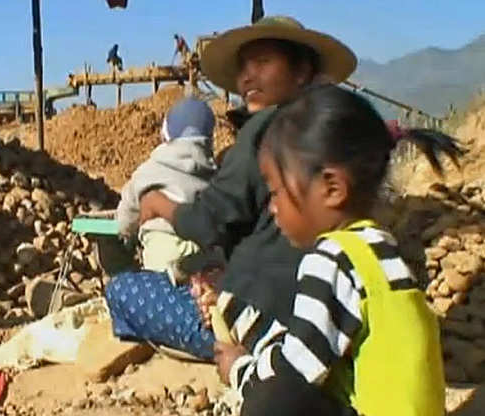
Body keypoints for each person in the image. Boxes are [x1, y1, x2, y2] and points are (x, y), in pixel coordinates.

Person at [207, 85, 465, 416]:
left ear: (330, 188)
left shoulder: (333, 258)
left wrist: (238, 371)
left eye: (275, 191)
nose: (271, 209)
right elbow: (312, 347)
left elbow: (294, 374)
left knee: (271, 405)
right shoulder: (378, 249)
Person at [106, 16, 357, 361]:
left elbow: (208, 222)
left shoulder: (267, 131)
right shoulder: (324, 129)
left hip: (268, 311)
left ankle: (230, 352)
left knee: (123, 290)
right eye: (244, 66)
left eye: (263, 62)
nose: (247, 77)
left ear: (300, 71)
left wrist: (159, 204)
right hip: (316, 306)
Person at [106, 97, 219, 360]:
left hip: (169, 278)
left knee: (119, 288)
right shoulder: (219, 175)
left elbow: (123, 225)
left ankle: (196, 339)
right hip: (211, 276)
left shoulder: (147, 173)